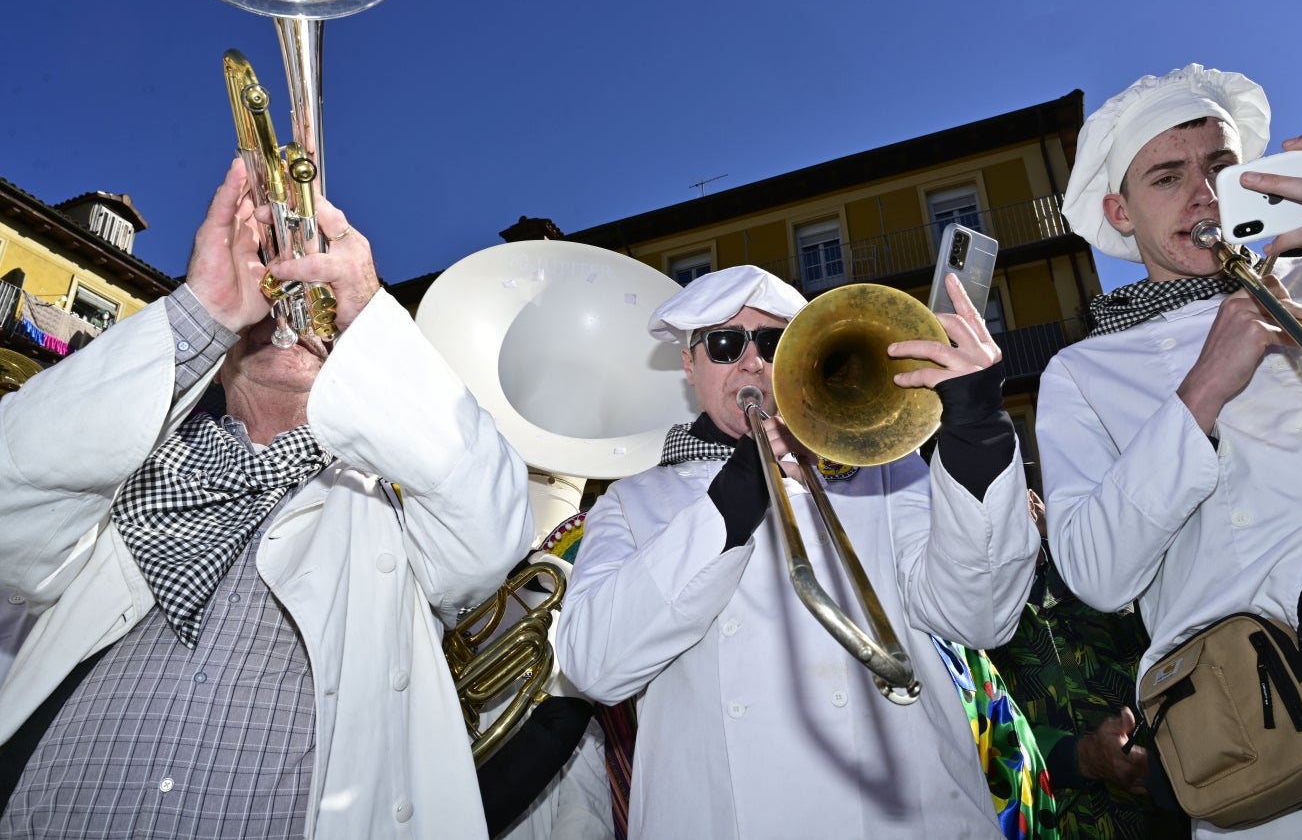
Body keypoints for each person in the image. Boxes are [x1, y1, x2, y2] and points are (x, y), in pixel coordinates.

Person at [0, 158, 534, 838]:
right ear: (218, 352)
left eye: (307, 299)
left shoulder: (394, 506)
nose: (286, 306)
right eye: (267, 290)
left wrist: (366, 309)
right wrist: (204, 311)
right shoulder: (124, 462)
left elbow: (492, 523)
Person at [554, 265, 1040, 838]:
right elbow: (593, 665)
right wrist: (740, 491)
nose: (753, 361)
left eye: (773, 341)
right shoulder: (631, 501)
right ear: (689, 364)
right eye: (725, 344)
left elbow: (981, 616)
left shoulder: (885, 470)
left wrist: (977, 435)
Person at [1037, 64, 1302, 839]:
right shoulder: (1079, 372)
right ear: (1122, 214)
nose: (1205, 195)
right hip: (1264, 730)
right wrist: (1202, 390)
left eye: (1220, 168)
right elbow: (1097, 573)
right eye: (1168, 177)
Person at [987, 488, 1189, 840]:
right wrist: (1077, 756)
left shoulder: (1108, 573)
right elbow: (981, 732)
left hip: (1171, 807)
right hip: (1053, 823)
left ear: (1032, 501)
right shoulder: (967, 620)